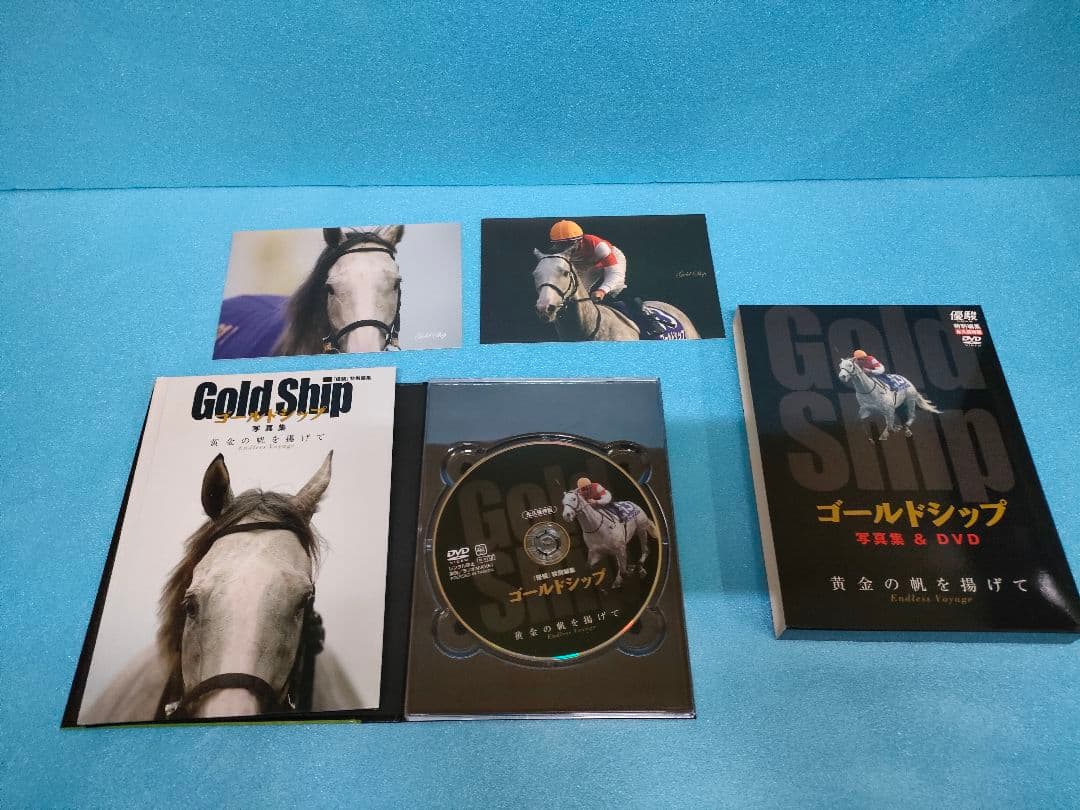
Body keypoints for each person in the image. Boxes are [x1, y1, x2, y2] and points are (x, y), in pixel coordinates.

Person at [548, 220, 663, 337]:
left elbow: (615, 273)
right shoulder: (557, 253)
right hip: (588, 265)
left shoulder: (598, 245)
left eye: (571, 244)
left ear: (580, 239)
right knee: (578, 294)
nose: (568, 248)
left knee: (616, 289)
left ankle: (649, 320)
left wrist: (602, 290)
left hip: (611, 260)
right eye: (562, 245)